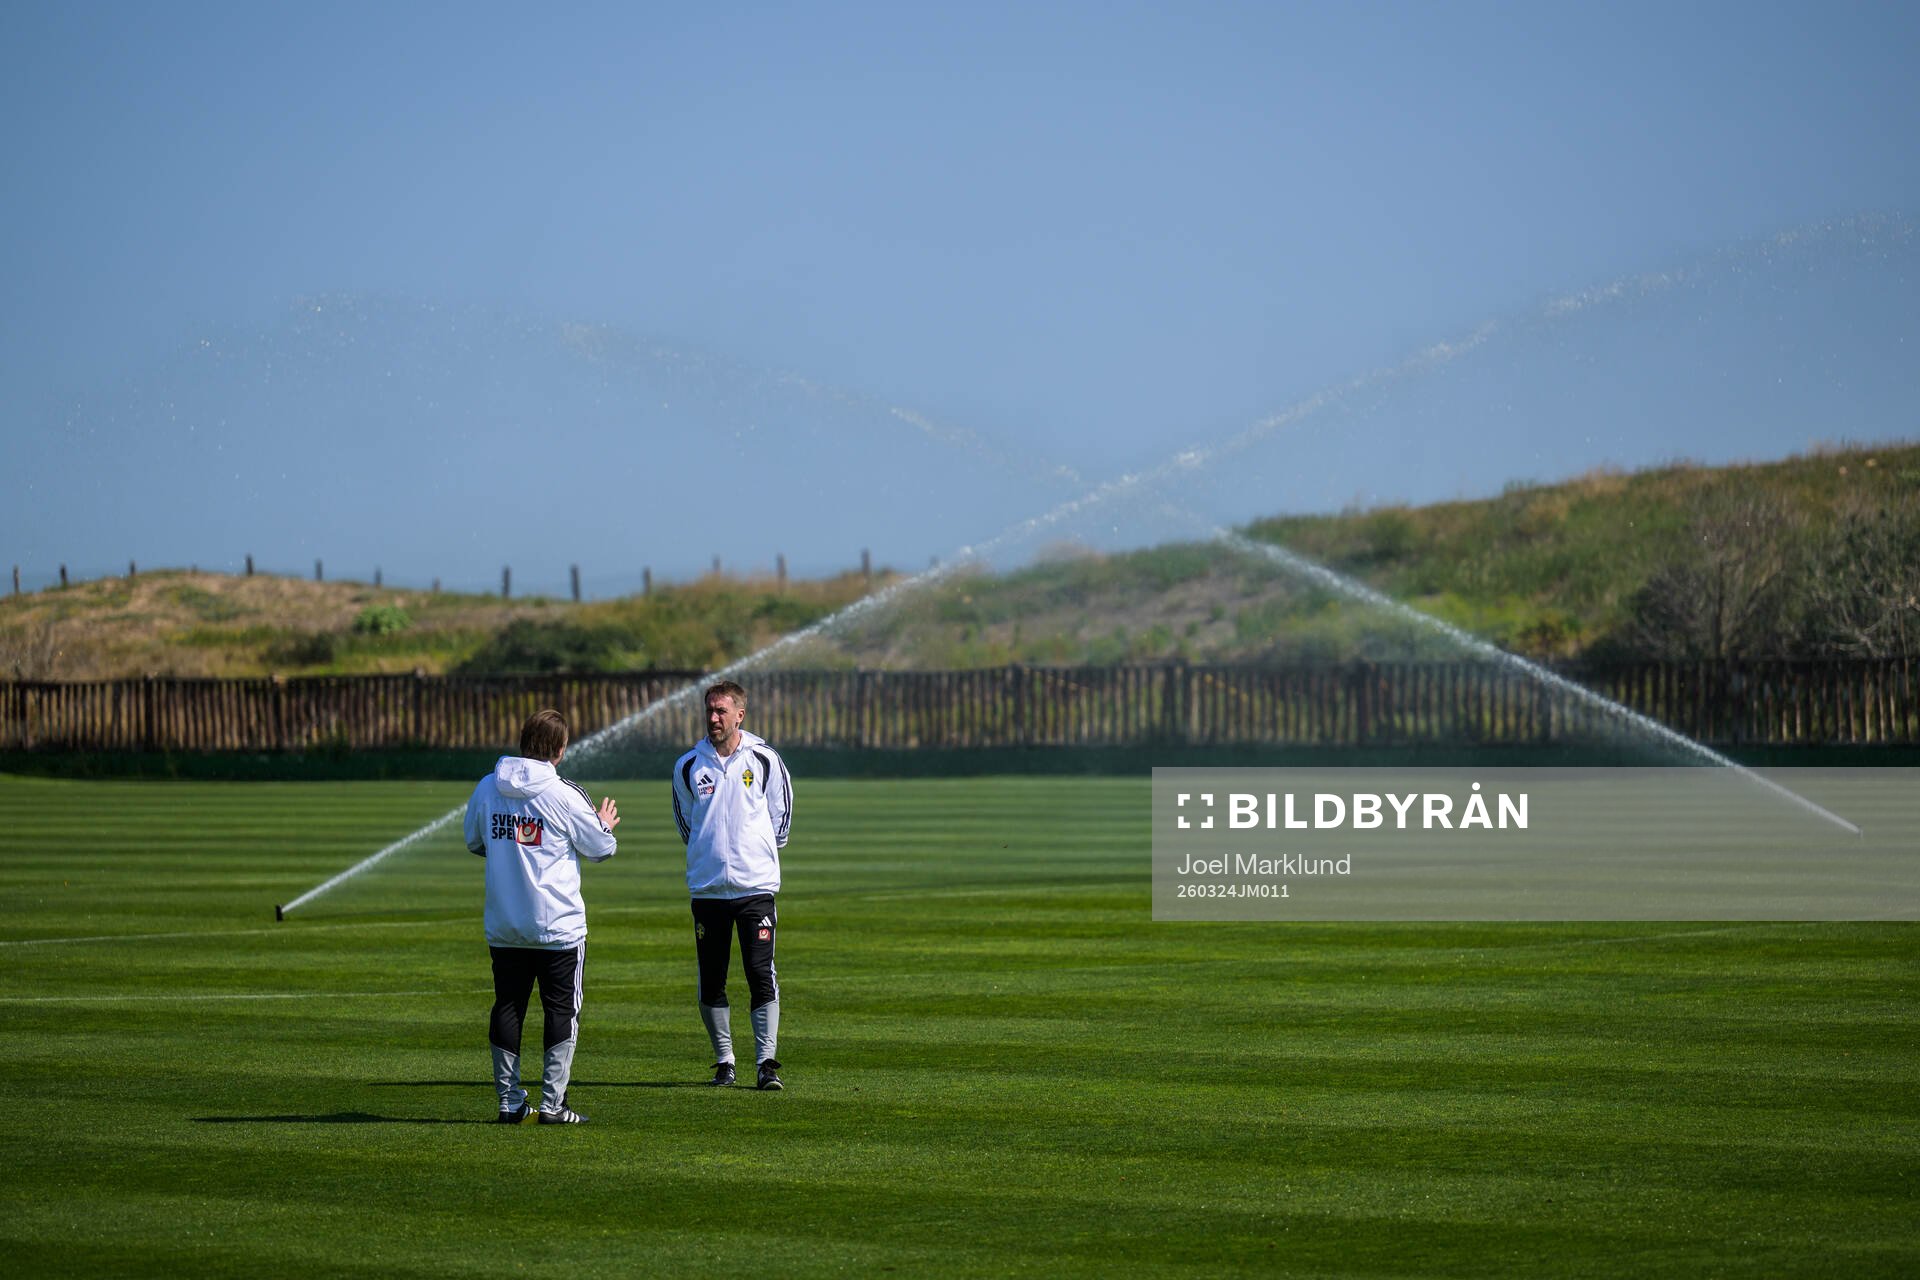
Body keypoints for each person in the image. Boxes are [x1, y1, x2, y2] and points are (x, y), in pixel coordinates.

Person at [464, 708, 618, 1124]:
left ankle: (509, 1102)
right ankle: (552, 1105)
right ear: (561, 749)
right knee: (561, 1010)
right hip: (558, 927)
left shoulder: (487, 786)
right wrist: (603, 824)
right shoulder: (565, 794)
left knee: (508, 1007)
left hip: (505, 924)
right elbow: (602, 848)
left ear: (523, 740)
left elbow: (474, 840)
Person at [672, 680, 793, 1090]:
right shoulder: (688, 764)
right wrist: (713, 856)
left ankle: (766, 1063)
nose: (713, 718)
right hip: (708, 890)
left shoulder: (764, 759)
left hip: (755, 887)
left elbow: (781, 819)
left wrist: (753, 856)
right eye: (709, 710)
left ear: (740, 714)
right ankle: (725, 1061)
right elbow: (688, 826)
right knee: (712, 978)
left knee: (760, 972)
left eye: (721, 711)